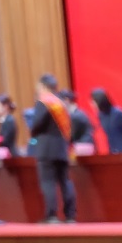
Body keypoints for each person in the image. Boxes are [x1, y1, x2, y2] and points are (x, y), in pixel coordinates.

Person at [30, 73, 78, 223]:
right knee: (65, 182)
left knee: (48, 182)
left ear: (43, 86)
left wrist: (33, 131)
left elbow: (36, 124)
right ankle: (70, 216)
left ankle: (52, 216)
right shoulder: (62, 104)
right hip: (62, 148)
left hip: (46, 149)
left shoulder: (44, 102)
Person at [91, 88, 122, 154]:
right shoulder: (101, 116)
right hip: (114, 151)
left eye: (93, 102)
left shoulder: (118, 114)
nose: (92, 104)